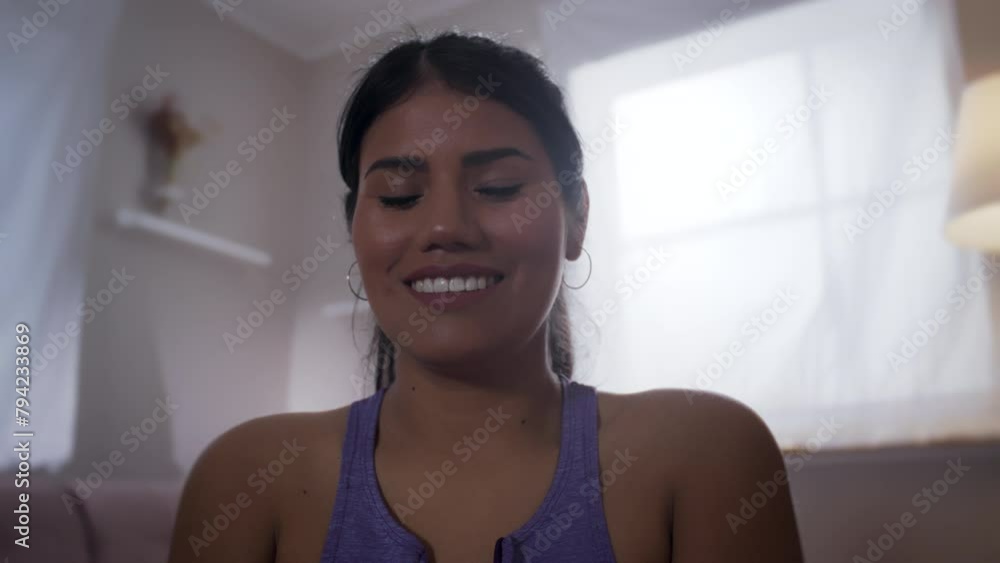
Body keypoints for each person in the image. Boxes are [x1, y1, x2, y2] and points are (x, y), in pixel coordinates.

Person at [167, 31, 804, 563]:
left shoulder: (704, 454)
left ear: (577, 217)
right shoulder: (247, 479)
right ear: (354, 228)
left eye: (498, 187)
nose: (445, 228)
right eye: (399, 197)